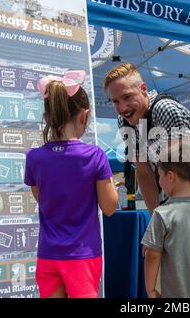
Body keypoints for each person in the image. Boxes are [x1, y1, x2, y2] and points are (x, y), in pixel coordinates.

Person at [103, 63, 190, 254]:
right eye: (115, 101)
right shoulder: (124, 122)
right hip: (187, 192)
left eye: (127, 97)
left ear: (143, 90)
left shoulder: (164, 108)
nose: (122, 108)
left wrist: (168, 224)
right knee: (172, 253)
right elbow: (143, 172)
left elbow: (182, 173)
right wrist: (156, 223)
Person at [24, 71, 118, 298]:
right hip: (82, 256)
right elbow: (110, 206)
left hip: (48, 254)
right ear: (84, 116)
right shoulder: (95, 156)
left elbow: (41, 198)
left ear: (47, 117)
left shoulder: (34, 158)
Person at [141, 142, 190, 298]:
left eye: (159, 175)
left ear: (170, 176)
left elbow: (152, 254)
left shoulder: (162, 214)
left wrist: (150, 289)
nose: (158, 182)